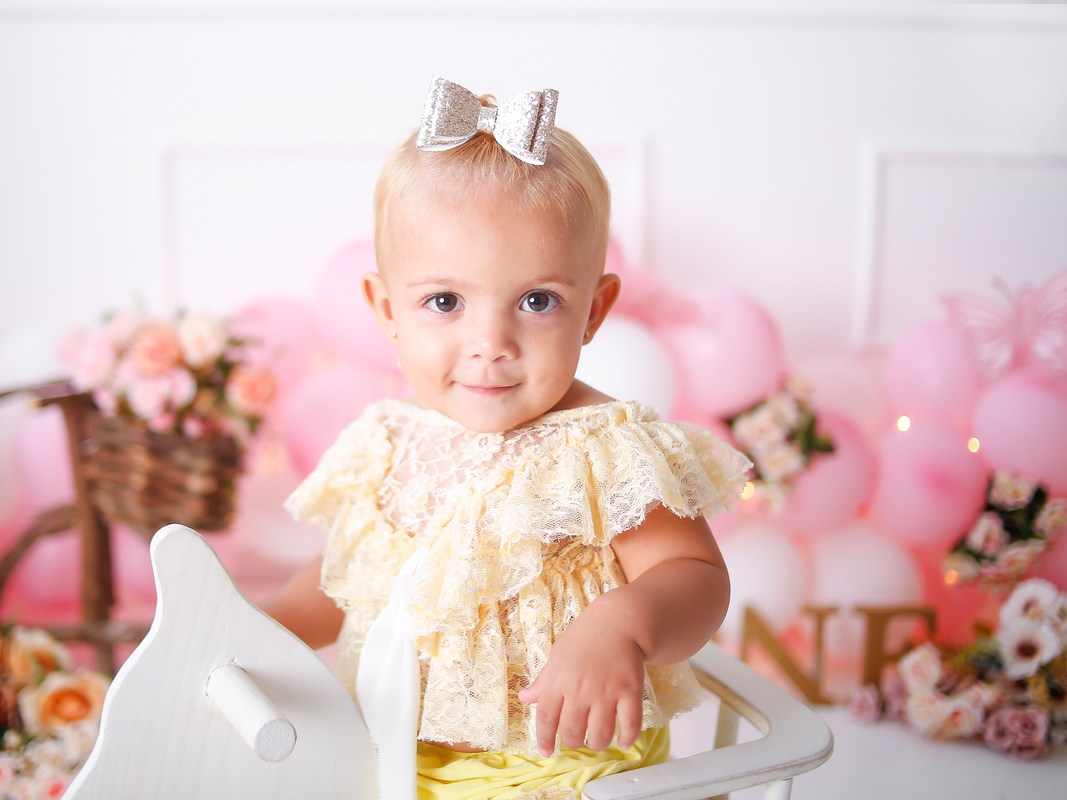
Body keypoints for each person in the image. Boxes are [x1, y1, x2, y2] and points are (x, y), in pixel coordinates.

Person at [261, 79, 751, 800]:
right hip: (386, 753)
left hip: (561, 766)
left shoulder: (601, 452)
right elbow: (347, 579)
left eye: (537, 300)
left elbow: (698, 579)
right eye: (445, 302)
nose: (490, 344)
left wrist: (625, 623)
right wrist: (261, 630)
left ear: (595, 310)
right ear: (385, 308)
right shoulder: (390, 442)